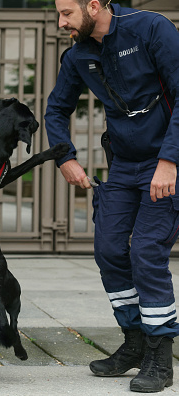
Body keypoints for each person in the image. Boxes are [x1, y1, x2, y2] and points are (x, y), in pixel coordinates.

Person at [45, 0, 179, 392]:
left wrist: (170, 161)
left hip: (167, 161)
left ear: (93, 6)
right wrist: (64, 158)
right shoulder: (78, 55)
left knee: (146, 252)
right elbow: (56, 110)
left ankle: (159, 354)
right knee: (108, 250)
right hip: (123, 165)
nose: (61, 22)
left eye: (66, 13)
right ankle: (135, 341)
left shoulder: (151, 29)